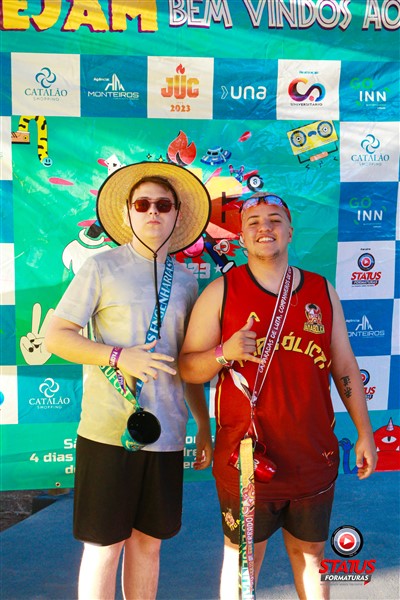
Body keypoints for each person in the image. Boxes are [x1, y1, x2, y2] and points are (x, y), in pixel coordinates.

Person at [178, 192, 377, 600]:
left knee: (312, 556)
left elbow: (344, 366)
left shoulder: (321, 290)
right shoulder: (221, 291)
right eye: (253, 222)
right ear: (240, 237)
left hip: (313, 455)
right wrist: (224, 352)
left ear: (289, 232)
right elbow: (188, 368)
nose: (264, 228)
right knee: (243, 560)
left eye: (274, 220)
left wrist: (365, 432)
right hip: (246, 459)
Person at [45, 161, 213, 600]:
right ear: (127, 212)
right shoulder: (100, 267)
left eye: (163, 205)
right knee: (104, 548)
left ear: (177, 214)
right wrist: (119, 356)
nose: (153, 211)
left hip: (168, 434)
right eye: (143, 204)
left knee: (149, 545)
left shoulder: (188, 281)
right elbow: (56, 336)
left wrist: (203, 424)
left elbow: (188, 363)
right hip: (108, 434)